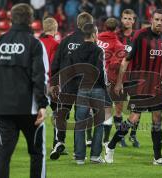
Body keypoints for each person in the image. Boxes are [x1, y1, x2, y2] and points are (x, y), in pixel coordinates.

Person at [104, 9, 162, 166]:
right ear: (151, 19)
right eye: (156, 19)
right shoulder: (140, 35)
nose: (159, 23)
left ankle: (158, 158)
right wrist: (120, 82)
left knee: (158, 119)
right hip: (140, 84)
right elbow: (126, 61)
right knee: (133, 118)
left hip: (157, 85)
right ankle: (110, 146)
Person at [0, 3, 49, 178]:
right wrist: (42, 104)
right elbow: (39, 76)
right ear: (31, 20)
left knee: (2, 156)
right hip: (30, 110)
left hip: (2, 109)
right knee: (36, 154)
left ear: (10, 18)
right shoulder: (35, 44)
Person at [49, 12, 93, 160]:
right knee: (80, 119)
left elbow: (55, 64)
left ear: (77, 23)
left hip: (66, 84)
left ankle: (59, 142)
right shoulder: (90, 42)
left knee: (62, 114)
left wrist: (54, 84)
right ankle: (78, 152)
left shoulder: (65, 41)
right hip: (84, 85)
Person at [69, 23, 107, 164]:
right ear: (94, 34)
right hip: (97, 88)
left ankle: (79, 158)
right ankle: (95, 156)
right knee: (99, 123)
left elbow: (72, 73)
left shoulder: (75, 52)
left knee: (80, 124)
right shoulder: (98, 51)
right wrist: (104, 88)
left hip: (82, 89)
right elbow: (100, 71)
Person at [97, 18, 126, 146]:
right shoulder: (118, 44)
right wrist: (118, 83)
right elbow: (116, 65)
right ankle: (107, 139)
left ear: (104, 26)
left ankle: (89, 139)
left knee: (92, 109)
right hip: (110, 80)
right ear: (117, 29)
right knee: (113, 108)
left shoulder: (96, 39)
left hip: (92, 78)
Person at [116, 8, 140, 148]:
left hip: (135, 76)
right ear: (121, 19)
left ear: (134, 21)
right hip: (119, 77)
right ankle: (120, 137)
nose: (127, 21)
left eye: (130, 18)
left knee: (136, 108)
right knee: (118, 108)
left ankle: (133, 134)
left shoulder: (138, 36)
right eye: (125, 18)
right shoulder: (116, 36)